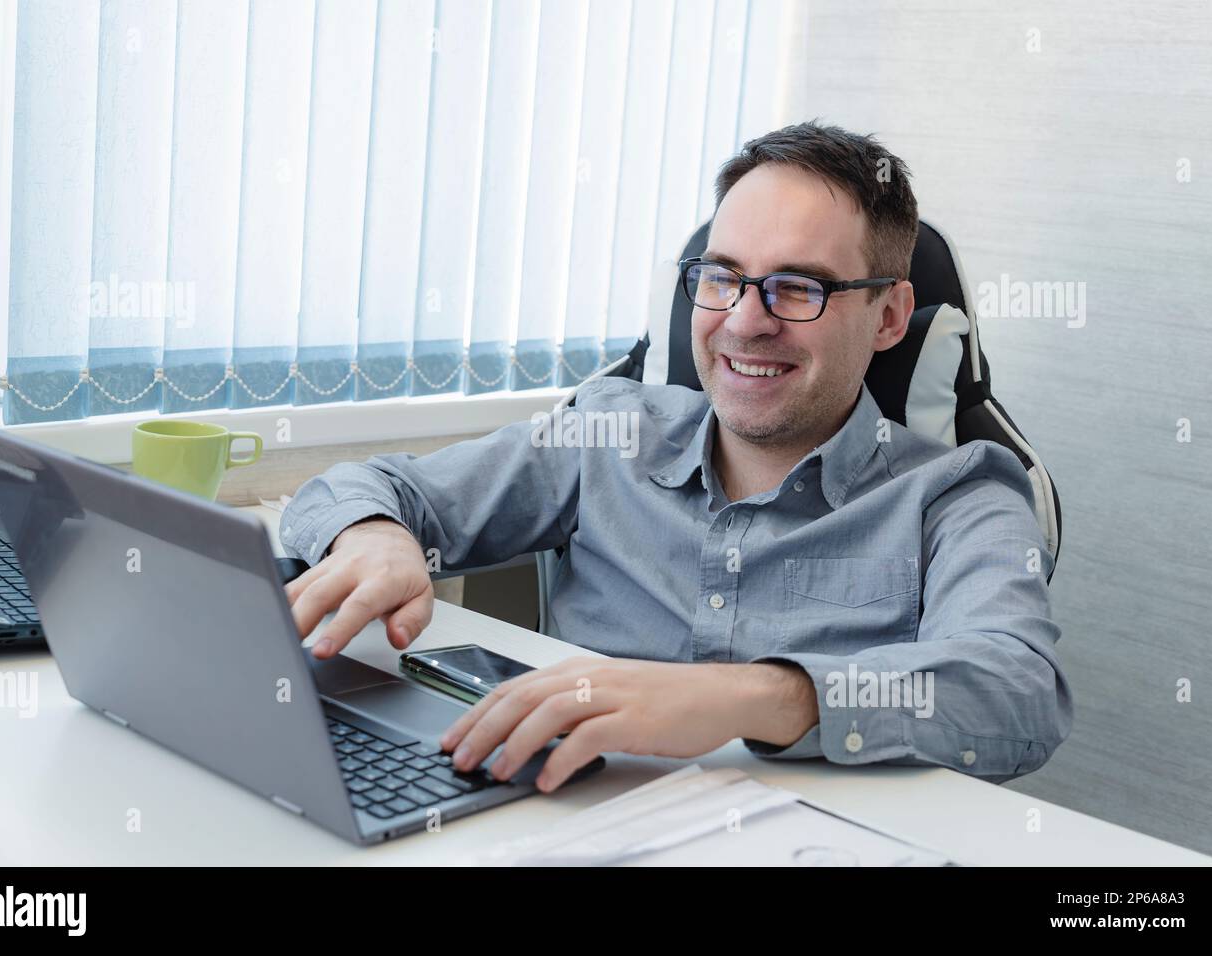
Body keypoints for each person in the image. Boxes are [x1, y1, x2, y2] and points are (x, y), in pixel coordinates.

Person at [279, 121, 1073, 794]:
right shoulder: (609, 432)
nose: (744, 322)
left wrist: (751, 698)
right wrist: (377, 535)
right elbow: (367, 488)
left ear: (890, 315)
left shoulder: (963, 493)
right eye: (723, 278)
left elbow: (1018, 692)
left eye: (798, 288)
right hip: (557, 815)